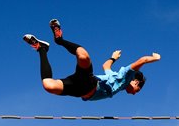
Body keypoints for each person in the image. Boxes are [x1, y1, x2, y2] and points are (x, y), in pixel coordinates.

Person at [23, 19, 161, 101]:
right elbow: (142, 60)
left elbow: (106, 66)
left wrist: (113, 58)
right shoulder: (126, 76)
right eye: (138, 89)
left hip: (80, 91)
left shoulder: (114, 77)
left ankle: (41, 49)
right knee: (83, 56)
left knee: (48, 85)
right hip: (89, 83)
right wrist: (155, 58)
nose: (135, 93)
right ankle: (59, 40)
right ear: (136, 82)